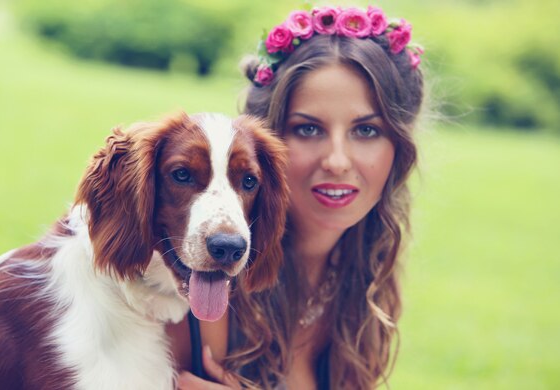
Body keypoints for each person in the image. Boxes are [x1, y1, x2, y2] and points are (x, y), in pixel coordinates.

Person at [169, 5, 425, 389]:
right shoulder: (204, 278)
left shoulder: (366, 271)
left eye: (367, 131)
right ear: (263, 147)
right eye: (308, 129)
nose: (337, 161)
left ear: (399, 148)